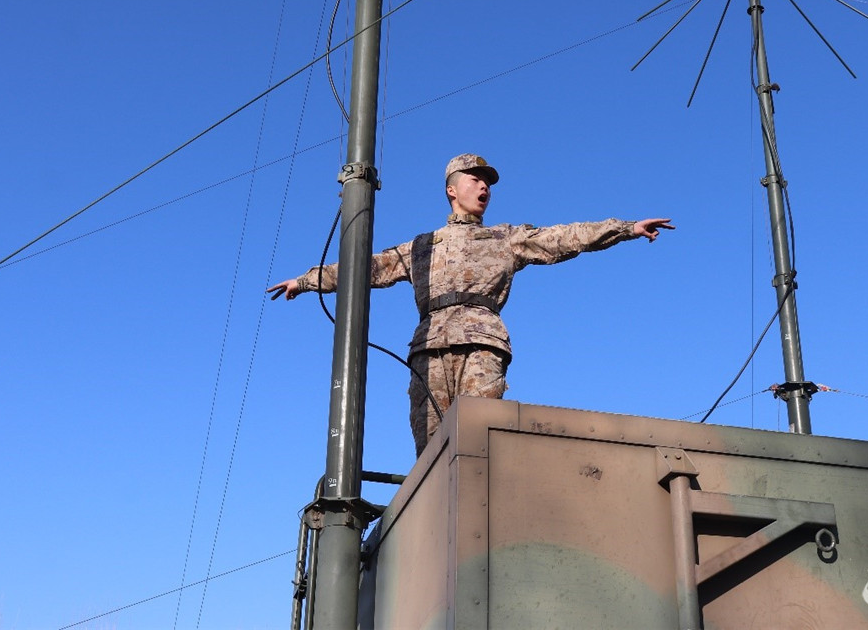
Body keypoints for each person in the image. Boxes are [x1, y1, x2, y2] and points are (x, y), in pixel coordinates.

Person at [268, 153, 673, 455]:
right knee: (430, 448)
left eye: (488, 183)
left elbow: (564, 237)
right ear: (452, 189)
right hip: (429, 350)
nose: (484, 188)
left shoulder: (505, 238)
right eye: (475, 180)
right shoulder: (422, 246)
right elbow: (365, 267)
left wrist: (626, 228)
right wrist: (305, 281)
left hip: (483, 344)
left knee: (478, 439)